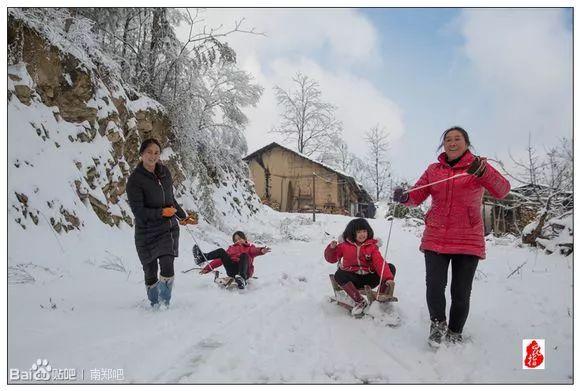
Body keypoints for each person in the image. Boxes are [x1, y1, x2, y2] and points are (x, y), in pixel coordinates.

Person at [393, 126, 510, 347]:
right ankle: (437, 325)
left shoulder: (478, 168)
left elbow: (502, 190)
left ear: (466, 143)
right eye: (448, 139)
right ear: (443, 144)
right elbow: (416, 196)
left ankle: (455, 331)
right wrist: (403, 197)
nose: (452, 142)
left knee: (460, 291)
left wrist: (483, 172)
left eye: (457, 138)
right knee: (435, 286)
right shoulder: (433, 170)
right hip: (436, 236)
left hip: (467, 238)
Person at [126, 138, 197, 307]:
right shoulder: (135, 181)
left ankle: (165, 301)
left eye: (156, 152)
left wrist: (182, 216)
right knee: (150, 271)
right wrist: (161, 212)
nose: (153, 156)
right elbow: (138, 211)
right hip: (146, 232)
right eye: (149, 152)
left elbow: (170, 200)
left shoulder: (164, 172)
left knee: (167, 263)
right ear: (142, 153)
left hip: (167, 228)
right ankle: (154, 302)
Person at [324, 218, 396, 317]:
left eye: (364, 231)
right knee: (339, 274)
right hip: (353, 280)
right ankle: (360, 301)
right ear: (352, 233)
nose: (362, 234)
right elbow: (331, 259)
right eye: (359, 232)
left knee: (390, 267)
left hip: (369, 278)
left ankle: (380, 299)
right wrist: (332, 249)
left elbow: (379, 262)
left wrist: (387, 278)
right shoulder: (344, 246)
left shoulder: (371, 246)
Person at [196, 231, 271, 289]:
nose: (238, 241)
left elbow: (255, 251)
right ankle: (202, 257)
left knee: (244, 255)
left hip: (245, 271)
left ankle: (242, 279)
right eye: (235, 240)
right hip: (232, 270)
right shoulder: (231, 249)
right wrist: (207, 268)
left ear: (245, 239)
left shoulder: (250, 248)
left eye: (239, 238)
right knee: (221, 251)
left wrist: (261, 250)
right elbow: (219, 260)